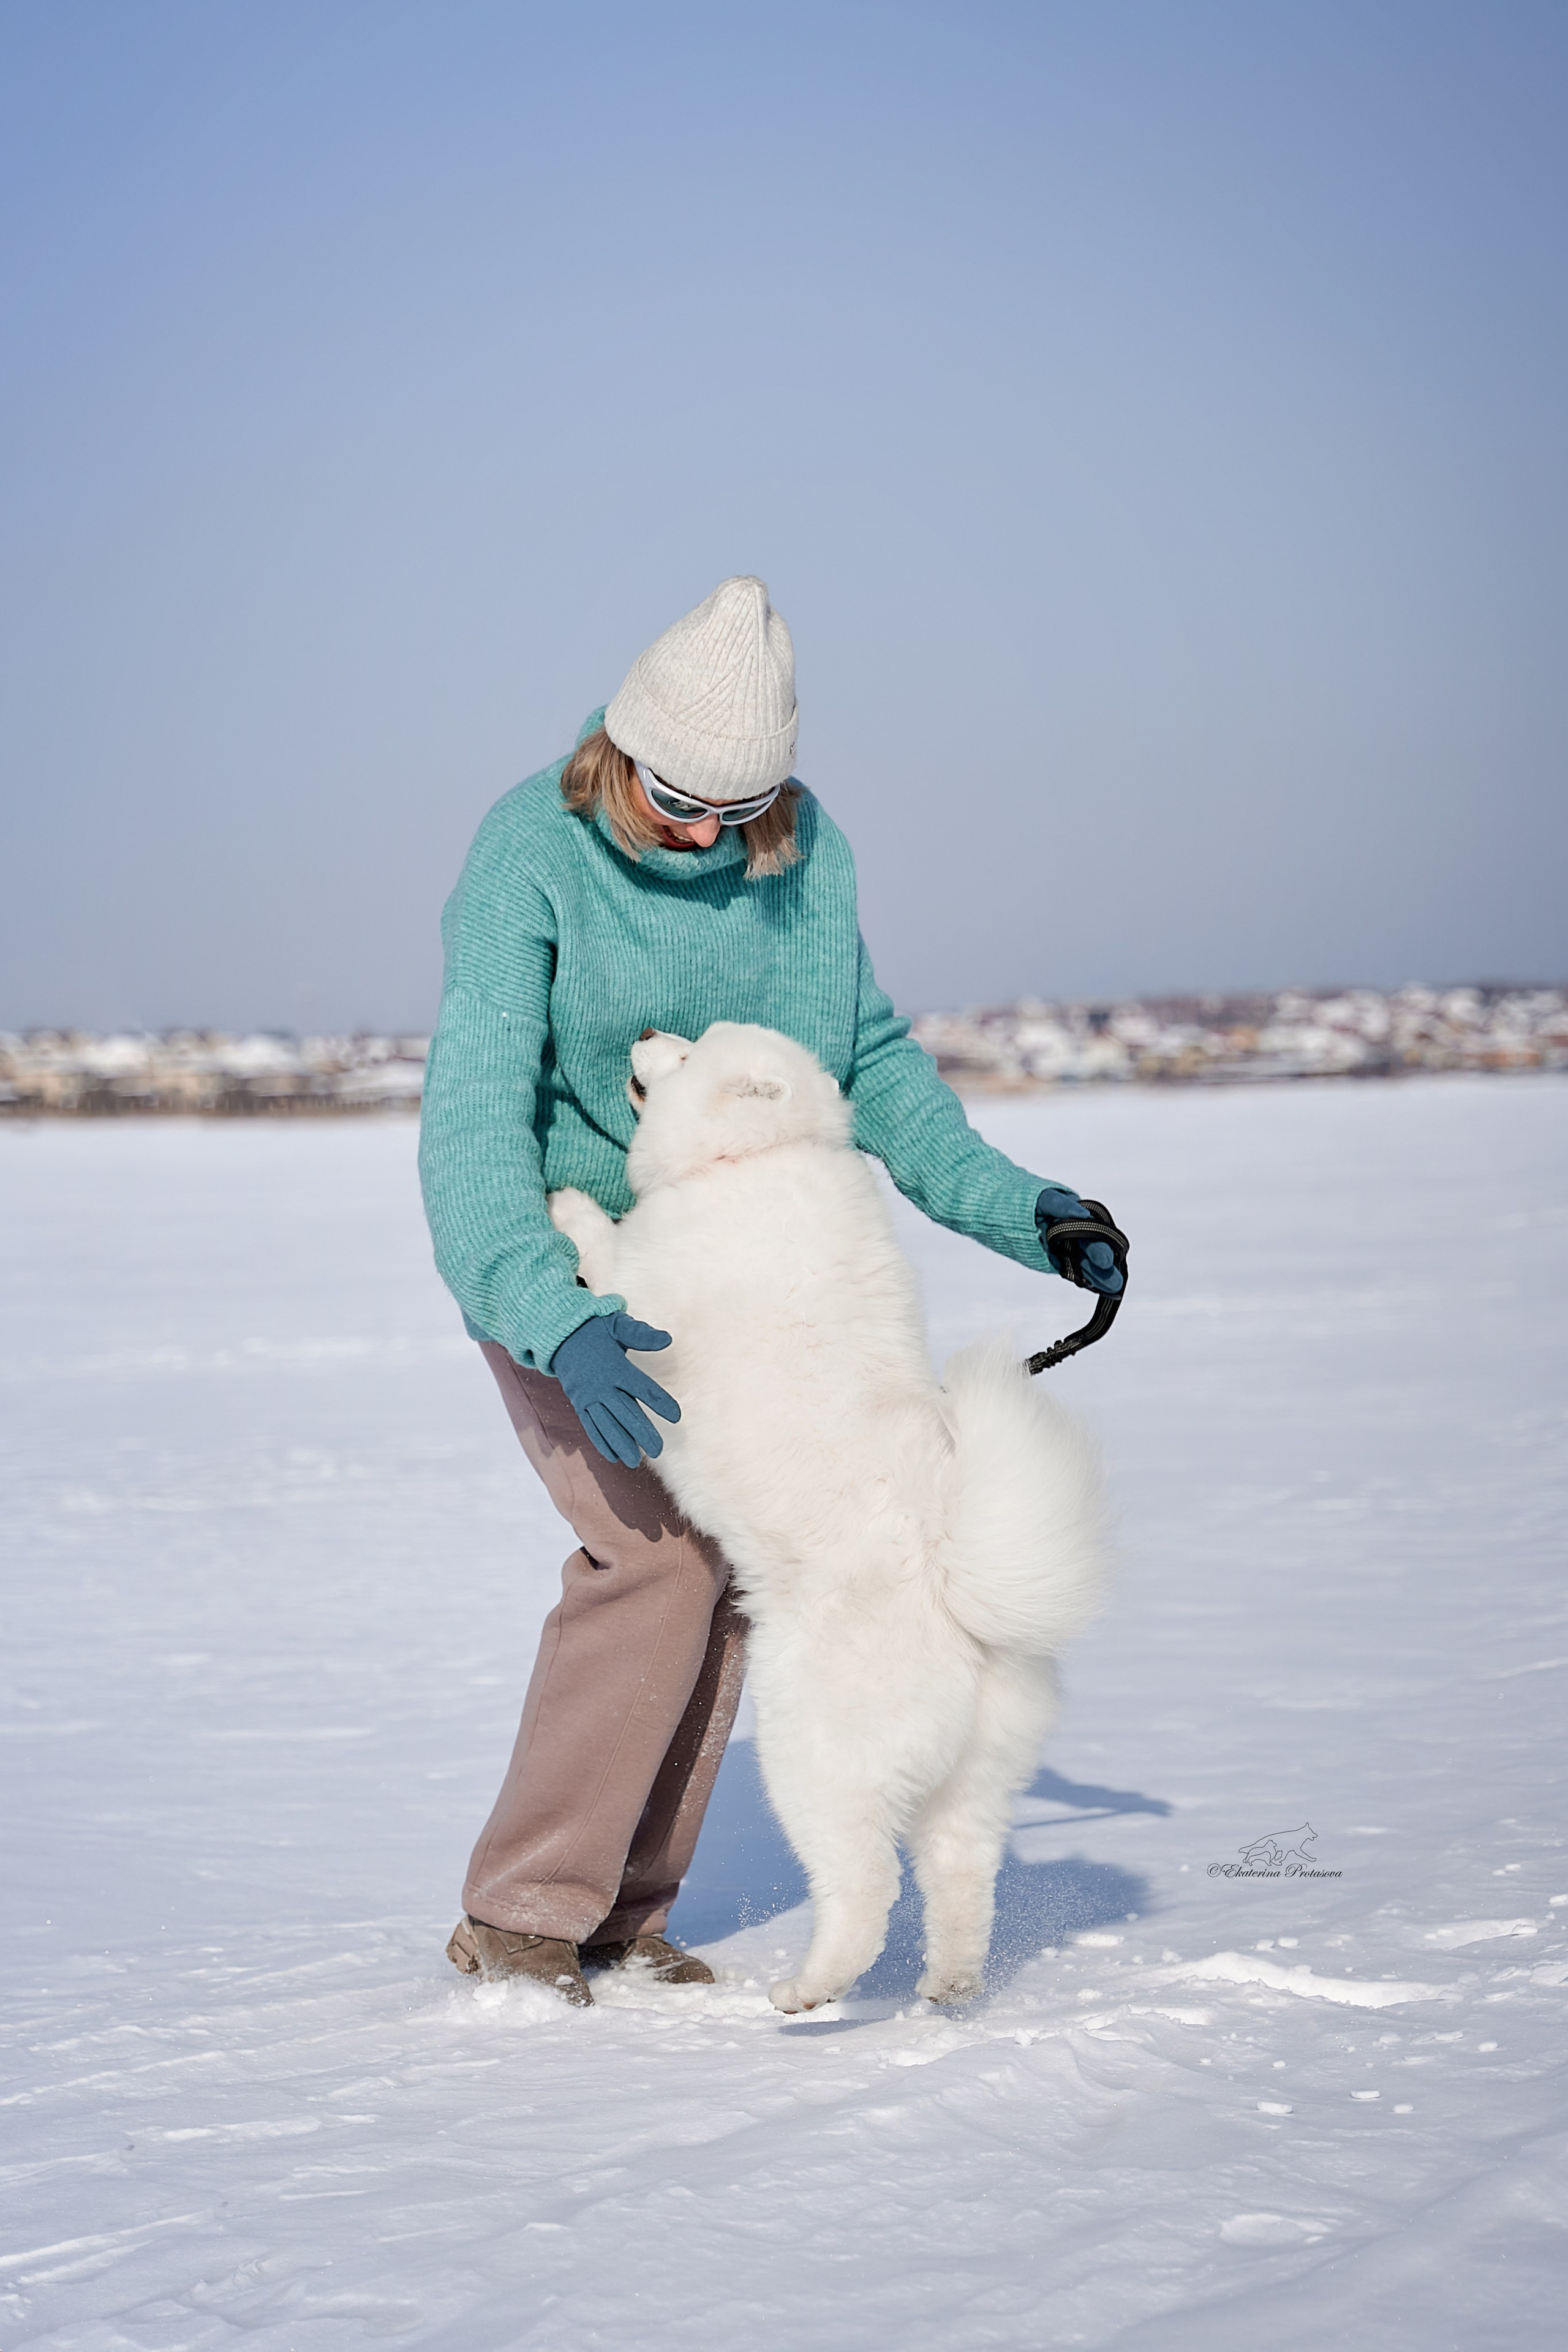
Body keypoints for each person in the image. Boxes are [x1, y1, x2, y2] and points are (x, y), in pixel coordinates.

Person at [418, 576, 1123, 2005]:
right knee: (655, 1565)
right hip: (570, 1264)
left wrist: (1018, 1209)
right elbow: (472, 1117)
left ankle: (622, 1913)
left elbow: (865, 1067)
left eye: (734, 809)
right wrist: (550, 1307)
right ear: (620, 746)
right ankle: (524, 1914)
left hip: (754, 1279)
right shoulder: (527, 854)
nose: (700, 830)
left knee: (757, 1571)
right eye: (677, 796)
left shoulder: (800, 858)